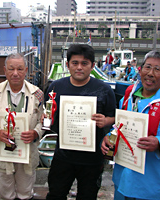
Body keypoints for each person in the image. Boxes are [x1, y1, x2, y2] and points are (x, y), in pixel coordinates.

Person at [45, 44, 116, 200]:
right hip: (63, 155)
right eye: (74, 63)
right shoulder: (56, 87)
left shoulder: (104, 90)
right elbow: (46, 114)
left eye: (84, 63)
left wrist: (105, 121)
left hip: (92, 159)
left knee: (88, 196)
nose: (79, 67)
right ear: (68, 64)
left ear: (92, 65)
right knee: (56, 194)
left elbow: (115, 118)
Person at [101, 50, 160, 200]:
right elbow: (119, 125)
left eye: (157, 69)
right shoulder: (129, 95)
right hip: (124, 174)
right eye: (147, 67)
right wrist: (109, 137)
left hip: (151, 179)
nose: (151, 73)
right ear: (140, 70)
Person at [0, 53, 44, 200]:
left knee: (25, 192)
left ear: (26, 70)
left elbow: (44, 121)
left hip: (27, 151)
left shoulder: (37, 95)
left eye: (20, 69)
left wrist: (36, 133)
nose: (15, 73)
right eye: (11, 69)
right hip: (2, 153)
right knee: (5, 193)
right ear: (5, 70)